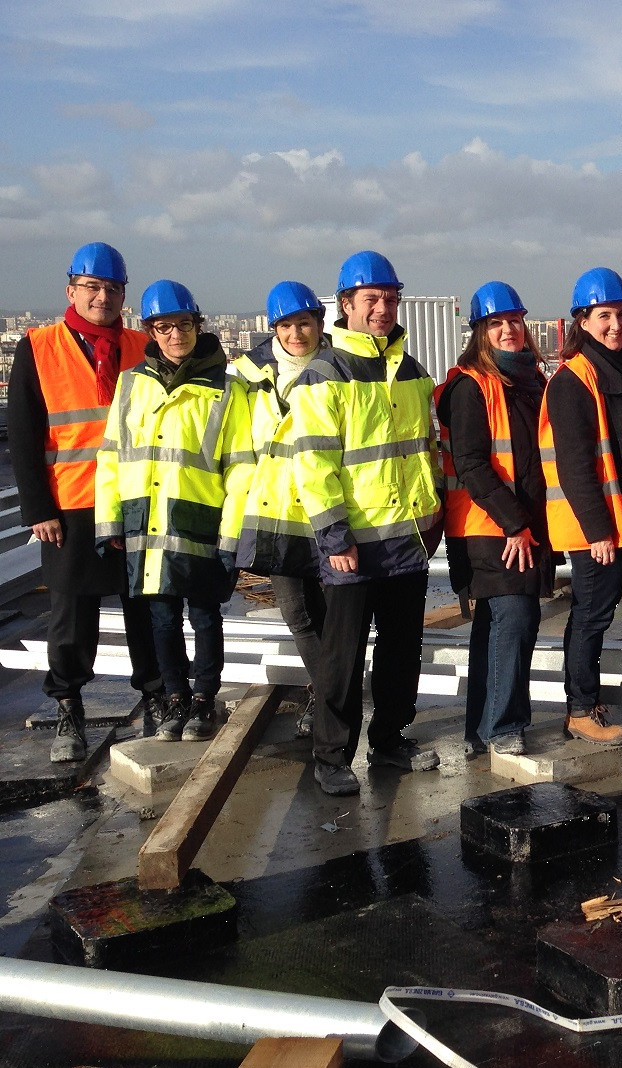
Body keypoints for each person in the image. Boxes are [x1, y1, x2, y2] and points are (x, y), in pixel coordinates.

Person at [290, 251, 442, 796]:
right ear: (347, 306)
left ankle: (390, 739)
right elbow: (314, 465)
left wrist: (435, 516)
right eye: (371, 300)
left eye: (390, 299)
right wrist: (335, 538)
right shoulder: (324, 374)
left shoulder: (412, 372)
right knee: (343, 654)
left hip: (408, 539)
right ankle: (332, 756)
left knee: (402, 649)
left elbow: (427, 448)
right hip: (353, 545)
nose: (383, 309)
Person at [7, 243, 161, 763]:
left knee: (146, 605)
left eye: (112, 289)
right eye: (92, 288)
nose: (103, 297)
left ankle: (157, 695)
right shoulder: (38, 347)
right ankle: (69, 706)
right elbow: (24, 436)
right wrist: (38, 511)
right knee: (72, 612)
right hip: (70, 503)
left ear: (124, 295)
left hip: (137, 499)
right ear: (71, 291)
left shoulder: (145, 345)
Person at [94, 280, 253, 741]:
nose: (174, 335)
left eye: (183, 325)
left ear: (197, 326)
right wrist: (110, 523)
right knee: (160, 617)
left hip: (200, 521)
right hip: (145, 522)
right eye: (164, 327)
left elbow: (239, 466)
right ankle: (174, 698)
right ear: (151, 332)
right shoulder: (131, 385)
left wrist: (232, 533)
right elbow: (110, 457)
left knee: (205, 615)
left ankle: (204, 698)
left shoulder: (225, 388)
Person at [540, 267, 622, 745]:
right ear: (582, 321)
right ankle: (580, 708)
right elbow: (574, 465)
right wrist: (597, 530)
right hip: (605, 528)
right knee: (593, 614)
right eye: (604, 316)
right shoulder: (573, 380)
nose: (615, 324)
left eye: (621, 314)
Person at [436, 281, 552, 758]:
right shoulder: (471, 386)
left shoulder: (528, 382)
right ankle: (503, 726)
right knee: (515, 619)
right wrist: (515, 523)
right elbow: (472, 464)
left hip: (515, 525)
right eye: (496, 324)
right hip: (491, 527)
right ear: (479, 332)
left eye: (514, 321)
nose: (508, 330)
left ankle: (481, 730)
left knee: (495, 625)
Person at [233, 280, 328, 738]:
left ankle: (329, 697)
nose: (296, 334)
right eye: (286, 325)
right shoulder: (247, 377)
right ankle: (326, 693)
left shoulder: (339, 369)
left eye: (304, 323)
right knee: (299, 615)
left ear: (319, 324)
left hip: (328, 512)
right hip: (276, 515)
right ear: (273, 328)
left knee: (333, 614)